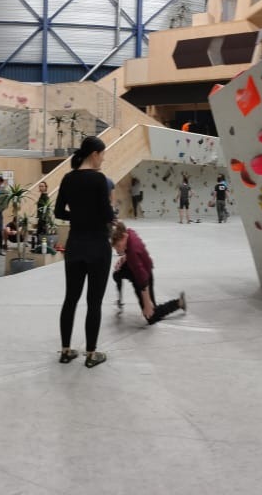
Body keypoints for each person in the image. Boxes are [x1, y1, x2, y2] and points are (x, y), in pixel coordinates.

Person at [55, 136, 114, 368]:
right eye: (103, 155)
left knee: (70, 298)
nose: (103, 159)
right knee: (94, 302)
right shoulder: (99, 179)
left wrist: (78, 216)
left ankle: (66, 351)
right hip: (98, 245)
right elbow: (107, 215)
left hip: (75, 245)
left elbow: (59, 212)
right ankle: (91, 354)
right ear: (94, 154)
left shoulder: (68, 178)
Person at [111, 221, 186, 325]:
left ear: (124, 236)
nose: (117, 251)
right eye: (115, 248)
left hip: (145, 276)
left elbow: (143, 280)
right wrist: (125, 257)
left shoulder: (132, 253)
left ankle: (179, 303)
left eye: (118, 246)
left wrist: (147, 303)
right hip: (136, 268)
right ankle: (120, 300)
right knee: (117, 274)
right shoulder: (129, 232)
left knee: (151, 316)